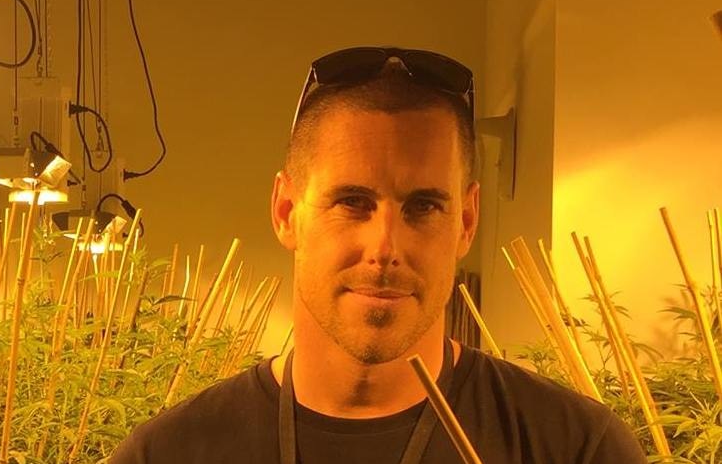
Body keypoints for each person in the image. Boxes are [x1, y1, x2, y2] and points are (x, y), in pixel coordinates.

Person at [109, 46, 648, 463]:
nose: (385, 248)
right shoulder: (166, 453)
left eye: (424, 207)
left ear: (465, 222)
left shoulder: (577, 447)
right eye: (353, 201)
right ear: (285, 211)